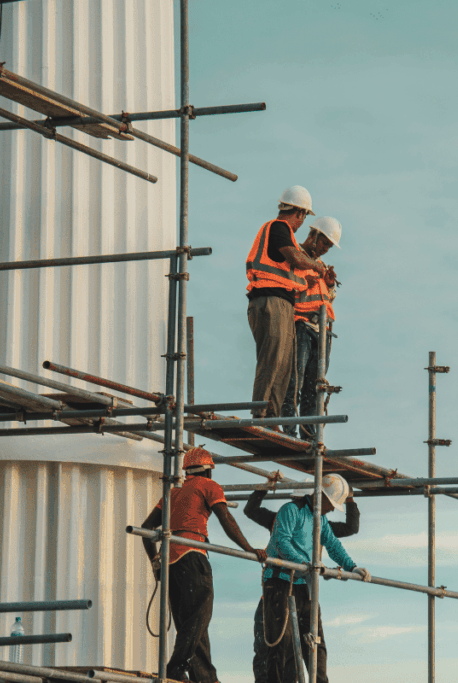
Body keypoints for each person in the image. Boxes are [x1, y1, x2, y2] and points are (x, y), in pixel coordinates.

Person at [140, 446, 267, 682]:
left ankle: (205, 677)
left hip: (170, 562)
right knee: (200, 614)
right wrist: (249, 549)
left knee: (192, 623)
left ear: (187, 471)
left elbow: (146, 530)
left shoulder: (172, 494)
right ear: (208, 471)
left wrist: (155, 561)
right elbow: (225, 518)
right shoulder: (209, 486)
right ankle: (176, 667)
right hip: (192, 554)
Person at [260, 474, 371, 683]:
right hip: (280, 582)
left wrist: (352, 567)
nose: (331, 509)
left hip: (304, 584)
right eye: (331, 504)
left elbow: (333, 544)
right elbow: (281, 541)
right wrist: (306, 563)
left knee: (315, 644)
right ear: (320, 496)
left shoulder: (321, 519)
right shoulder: (291, 511)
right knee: (280, 644)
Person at [246, 186, 328, 421]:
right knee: (272, 359)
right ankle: (260, 414)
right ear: (300, 213)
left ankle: (272, 415)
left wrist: (310, 278)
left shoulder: (284, 235)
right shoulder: (278, 227)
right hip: (269, 300)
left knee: (283, 365)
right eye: (303, 216)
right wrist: (315, 265)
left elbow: (289, 270)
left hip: (280, 303)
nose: (302, 222)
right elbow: (294, 257)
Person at [281, 216, 342, 441]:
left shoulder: (321, 266)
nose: (325, 249)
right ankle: (288, 430)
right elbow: (289, 285)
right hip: (301, 326)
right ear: (313, 235)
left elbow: (326, 298)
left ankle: (309, 435)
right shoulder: (295, 256)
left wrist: (330, 285)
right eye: (324, 243)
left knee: (314, 388)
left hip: (321, 331)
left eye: (328, 246)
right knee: (294, 380)